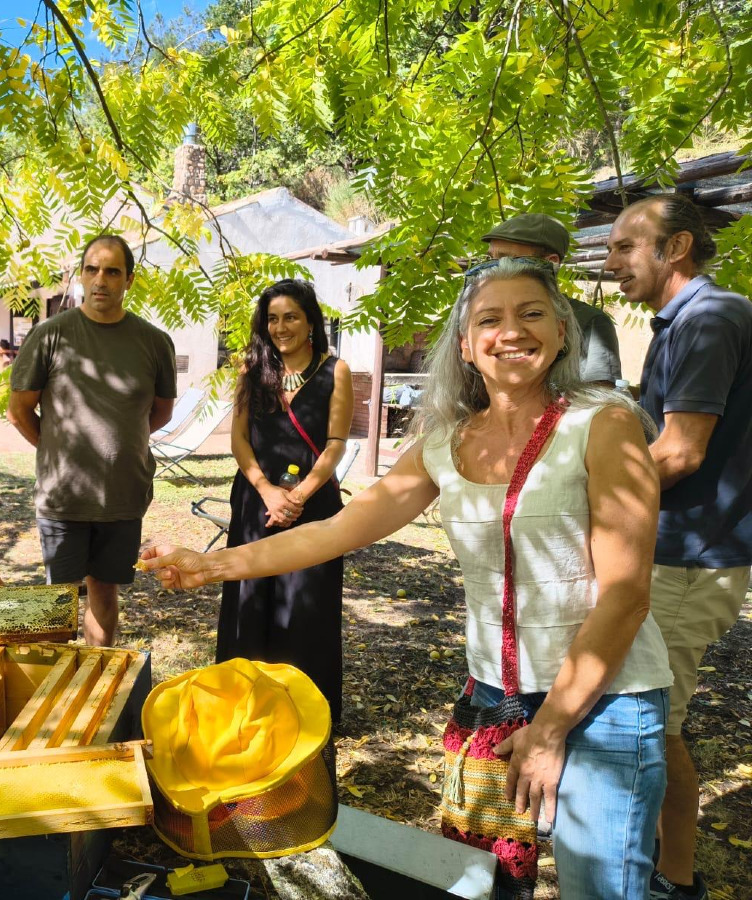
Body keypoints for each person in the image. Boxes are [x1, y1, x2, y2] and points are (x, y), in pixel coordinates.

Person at [144, 257, 673, 900]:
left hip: (604, 704)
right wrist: (214, 562)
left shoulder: (605, 423)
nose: (512, 331)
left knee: (602, 889)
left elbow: (626, 595)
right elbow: (336, 531)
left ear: (563, 331)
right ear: (466, 344)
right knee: (487, 885)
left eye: (532, 314)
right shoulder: (445, 440)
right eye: (490, 319)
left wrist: (552, 729)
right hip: (496, 698)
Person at [607, 195, 752, 900]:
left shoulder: (711, 318)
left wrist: (581, 509)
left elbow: (682, 451)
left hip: (691, 558)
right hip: (667, 550)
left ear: (677, 247)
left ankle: (673, 880)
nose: (610, 262)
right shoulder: (683, 323)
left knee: (652, 722)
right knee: (638, 716)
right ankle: (639, 857)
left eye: (625, 246)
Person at [7, 235, 176, 646]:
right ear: (80, 275)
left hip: (122, 494)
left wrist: (115, 447)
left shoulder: (154, 342)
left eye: (112, 271)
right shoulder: (50, 335)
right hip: (64, 497)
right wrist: (58, 450)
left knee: (105, 591)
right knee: (57, 603)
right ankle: (55, 691)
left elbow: (160, 412)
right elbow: (19, 411)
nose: (101, 280)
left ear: (129, 280)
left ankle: (98, 683)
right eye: (92, 269)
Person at [221, 279, 353, 722]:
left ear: (311, 320)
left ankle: (305, 711)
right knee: (250, 595)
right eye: (273, 318)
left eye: (291, 316)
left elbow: (335, 444)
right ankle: (248, 703)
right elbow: (239, 440)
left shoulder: (336, 371)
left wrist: (296, 496)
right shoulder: (252, 371)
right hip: (255, 501)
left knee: (306, 604)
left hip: (312, 506)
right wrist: (266, 490)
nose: (281, 327)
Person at [482, 213, 623, 386]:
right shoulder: (479, 317)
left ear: (550, 262)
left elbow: (601, 397)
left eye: (506, 259)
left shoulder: (588, 321)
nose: (493, 268)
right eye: (490, 259)